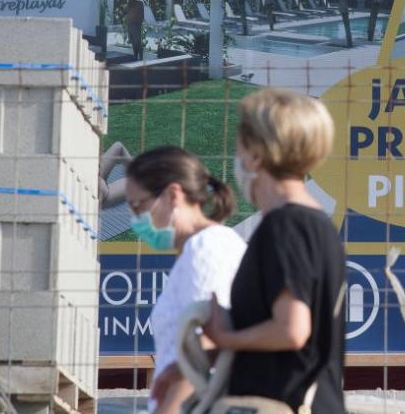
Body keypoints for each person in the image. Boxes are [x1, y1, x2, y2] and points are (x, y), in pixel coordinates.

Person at [205, 89, 346, 413]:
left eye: (239, 147)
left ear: (256, 156)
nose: (236, 158)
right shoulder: (319, 226)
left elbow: (292, 330)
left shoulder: (284, 226)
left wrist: (226, 337)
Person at [124, 146, 246, 414]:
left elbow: (203, 348)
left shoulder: (206, 248)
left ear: (172, 194)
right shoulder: (201, 248)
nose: (135, 220)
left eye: (138, 206)